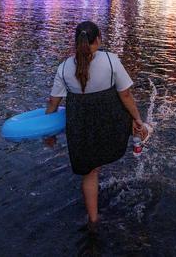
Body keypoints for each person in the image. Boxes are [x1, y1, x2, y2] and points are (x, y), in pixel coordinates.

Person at [44, 21, 148, 226]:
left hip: (81, 126)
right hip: (109, 122)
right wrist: (137, 119)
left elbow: (53, 103)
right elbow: (125, 95)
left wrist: (49, 133)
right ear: (98, 39)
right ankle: (137, 135)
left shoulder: (64, 68)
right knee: (132, 119)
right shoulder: (110, 60)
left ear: (76, 42)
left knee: (90, 172)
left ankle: (93, 219)